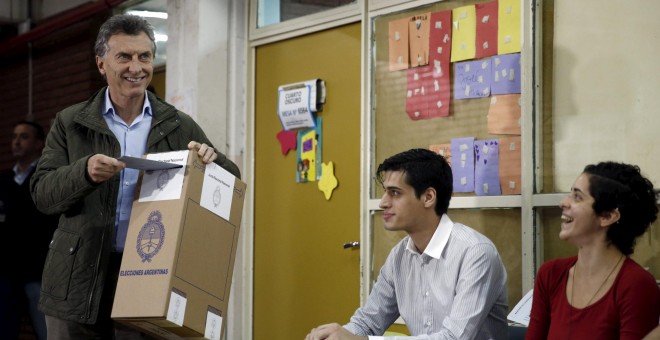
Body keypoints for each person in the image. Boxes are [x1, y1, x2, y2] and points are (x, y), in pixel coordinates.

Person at [29, 14, 241, 339]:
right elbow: (43, 193)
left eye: (145, 56)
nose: (136, 67)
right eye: (124, 56)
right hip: (77, 278)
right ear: (101, 64)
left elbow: (228, 183)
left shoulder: (177, 124)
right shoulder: (70, 123)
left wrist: (214, 163)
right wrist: (84, 173)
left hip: (148, 273)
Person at [305, 148, 508, 340]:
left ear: (428, 197)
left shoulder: (476, 253)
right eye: (385, 192)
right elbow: (368, 322)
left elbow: (454, 338)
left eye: (394, 193)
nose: (383, 202)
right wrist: (336, 335)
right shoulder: (399, 255)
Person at [525, 161, 660, 339]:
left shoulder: (636, 284)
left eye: (577, 197)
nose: (563, 203)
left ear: (607, 216)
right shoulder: (551, 274)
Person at [0, 121, 58, 340]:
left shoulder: (47, 178)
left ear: (39, 143)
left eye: (24, 136)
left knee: (46, 331)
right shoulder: (3, 180)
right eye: (14, 136)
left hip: (37, 270)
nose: (16, 141)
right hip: (6, 271)